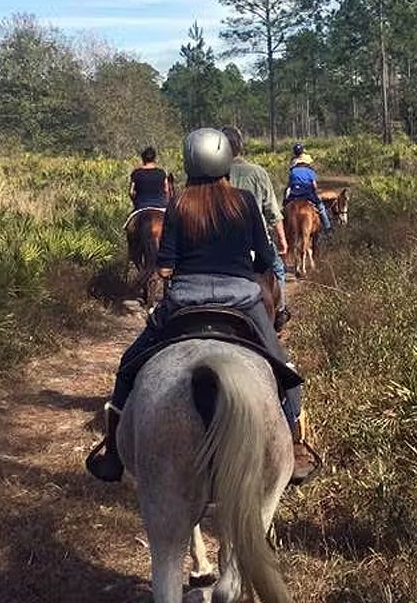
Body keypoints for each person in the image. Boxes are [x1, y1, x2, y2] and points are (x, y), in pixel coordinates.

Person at [87, 127, 317, 485]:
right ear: (225, 159)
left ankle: (114, 454)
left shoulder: (178, 203)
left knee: (128, 366)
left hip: (184, 302)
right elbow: (266, 259)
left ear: (190, 162)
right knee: (285, 371)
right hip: (242, 302)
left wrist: (172, 271)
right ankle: (296, 448)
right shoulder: (244, 201)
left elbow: (164, 267)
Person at [220, 125, 291, 331]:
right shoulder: (258, 173)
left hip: (220, 241)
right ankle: (281, 311)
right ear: (241, 147)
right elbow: (272, 212)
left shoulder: (213, 175)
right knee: (278, 268)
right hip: (255, 240)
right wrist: (283, 240)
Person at [285, 142, 331, 234]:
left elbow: (289, 185)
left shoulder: (293, 171)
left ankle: (283, 227)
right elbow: (314, 185)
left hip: (294, 194)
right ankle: (327, 228)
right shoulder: (310, 171)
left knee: (284, 208)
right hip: (308, 194)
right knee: (321, 208)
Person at [129, 146, 172, 210]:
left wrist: (135, 201)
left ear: (143, 158)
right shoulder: (161, 173)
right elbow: (166, 190)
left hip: (141, 206)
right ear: (154, 159)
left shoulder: (136, 173)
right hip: (160, 206)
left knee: (129, 219)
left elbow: (131, 192)